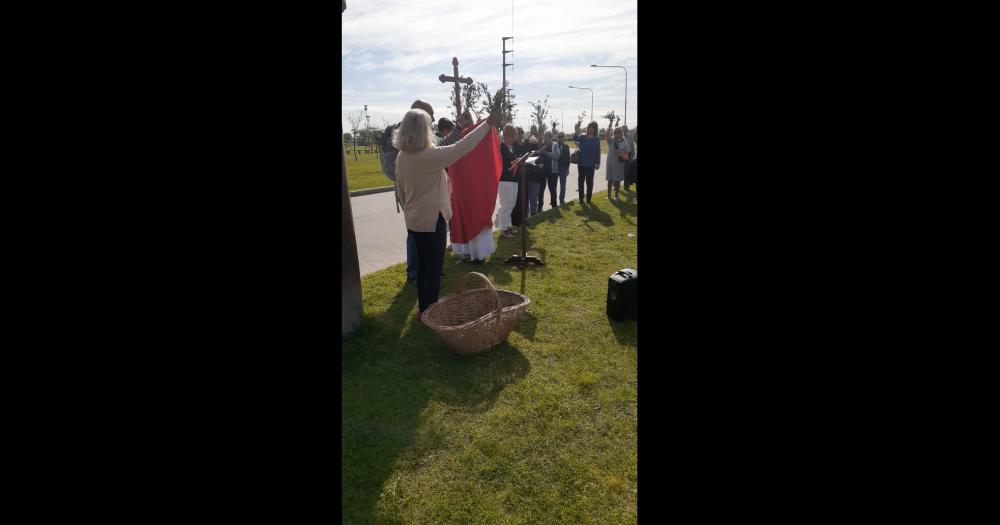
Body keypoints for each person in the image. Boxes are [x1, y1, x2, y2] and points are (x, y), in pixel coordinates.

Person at [395, 107, 501, 316]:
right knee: (433, 268)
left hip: (414, 220)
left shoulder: (401, 157)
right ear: (422, 130)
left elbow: (401, 191)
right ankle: (430, 311)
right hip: (432, 220)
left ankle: (425, 307)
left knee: (424, 266)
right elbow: (463, 146)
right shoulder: (429, 156)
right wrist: (487, 125)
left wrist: (410, 209)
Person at [396, 101, 473, 283]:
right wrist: (486, 126)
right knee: (427, 264)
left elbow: (443, 146)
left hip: (414, 212)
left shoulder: (403, 153)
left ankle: (421, 279)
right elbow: (455, 149)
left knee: (425, 260)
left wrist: (459, 127)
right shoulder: (424, 154)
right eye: (429, 120)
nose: (432, 124)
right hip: (428, 215)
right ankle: (416, 276)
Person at [497, 124, 520, 238]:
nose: (516, 138)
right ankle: (502, 229)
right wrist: (517, 160)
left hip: (513, 179)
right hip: (505, 180)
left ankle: (507, 226)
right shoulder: (501, 147)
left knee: (511, 204)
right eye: (514, 135)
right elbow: (505, 163)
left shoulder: (510, 147)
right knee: (505, 205)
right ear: (509, 135)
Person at [572, 121, 601, 204]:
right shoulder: (583, 137)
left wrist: (598, 163)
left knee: (590, 182)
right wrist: (577, 128)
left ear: (595, 129)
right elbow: (575, 138)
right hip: (581, 163)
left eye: (593, 127)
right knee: (581, 181)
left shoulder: (597, 139)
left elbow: (598, 151)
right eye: (590, 127)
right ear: (588, 128)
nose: (591, 129)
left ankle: (589, 199)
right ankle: (581, 199)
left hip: (591, 164)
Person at [536, 130, 568, 206]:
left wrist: (546, 153)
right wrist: (544, 148)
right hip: (542, 171)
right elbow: (538, 153)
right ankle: (540, 206)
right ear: (544, 136)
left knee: (552, 189)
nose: (549, 137)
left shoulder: (555, 144)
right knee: (541, 190)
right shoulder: (542, 144)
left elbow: (557, 156)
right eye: (547, 135)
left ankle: (554, 205)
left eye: (550, 136)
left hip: (552, 171)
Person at [605, 126, 632, 199]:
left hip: (619, 163)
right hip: (610, 162)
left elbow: (628, 151)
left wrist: (621, 151)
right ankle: (609, 196)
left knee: (617, 180)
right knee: (610, 179)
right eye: (615, 132)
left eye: (619, 131)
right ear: (614, 133)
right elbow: (607, 136)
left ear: (621, 133)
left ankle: (616, 196)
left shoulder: (624, 141)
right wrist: (610, 124)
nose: (617, 133)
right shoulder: (611, 140)